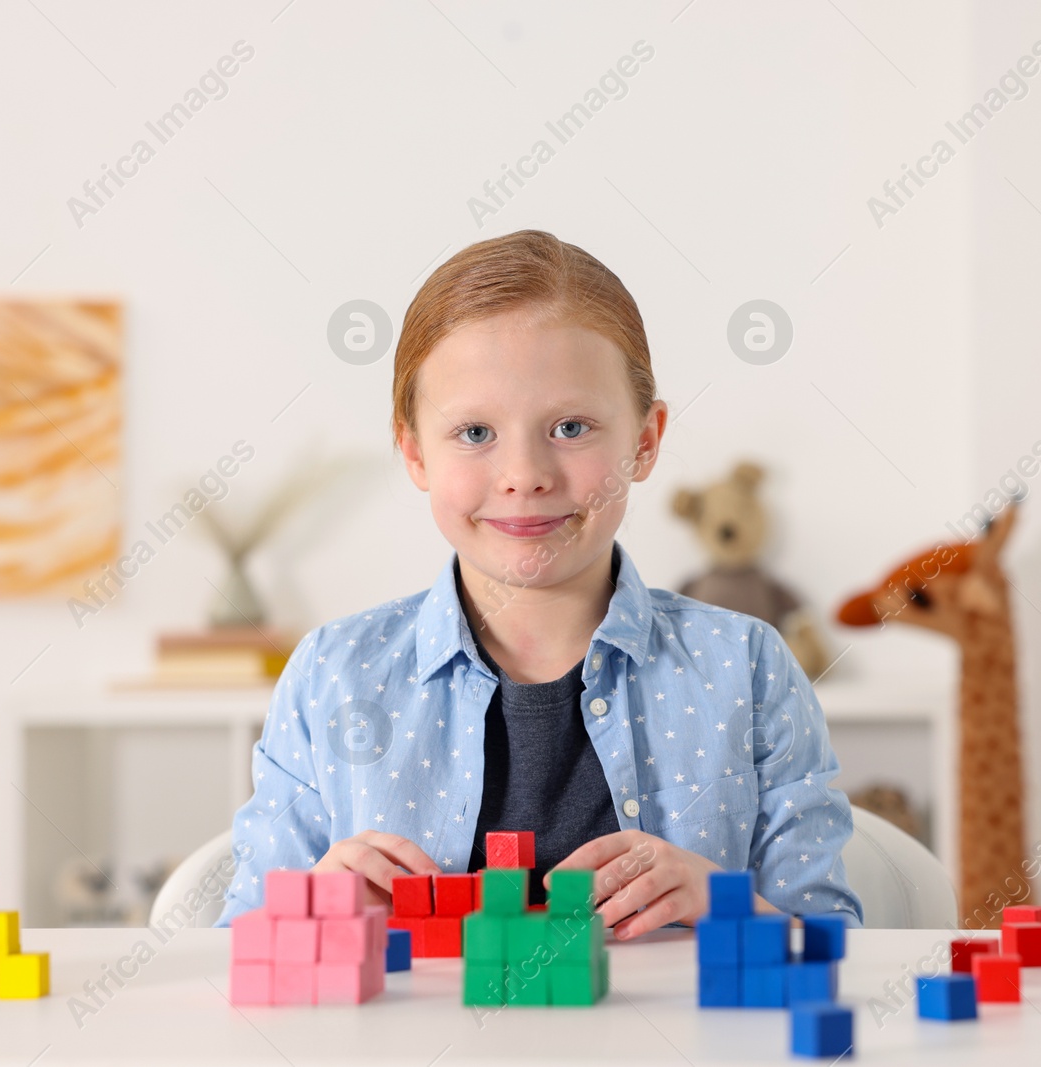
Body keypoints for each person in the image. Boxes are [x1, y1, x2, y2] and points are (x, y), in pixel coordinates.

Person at [215, 229, 862, 937]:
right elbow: (240, 952)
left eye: (571, 425)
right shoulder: (331, 676)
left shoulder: (748, 667)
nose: (524, 473)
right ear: (413, 451)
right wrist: (311, 910)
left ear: (645, 441)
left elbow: (836, 947)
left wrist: (726, 904)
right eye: (474, 433)